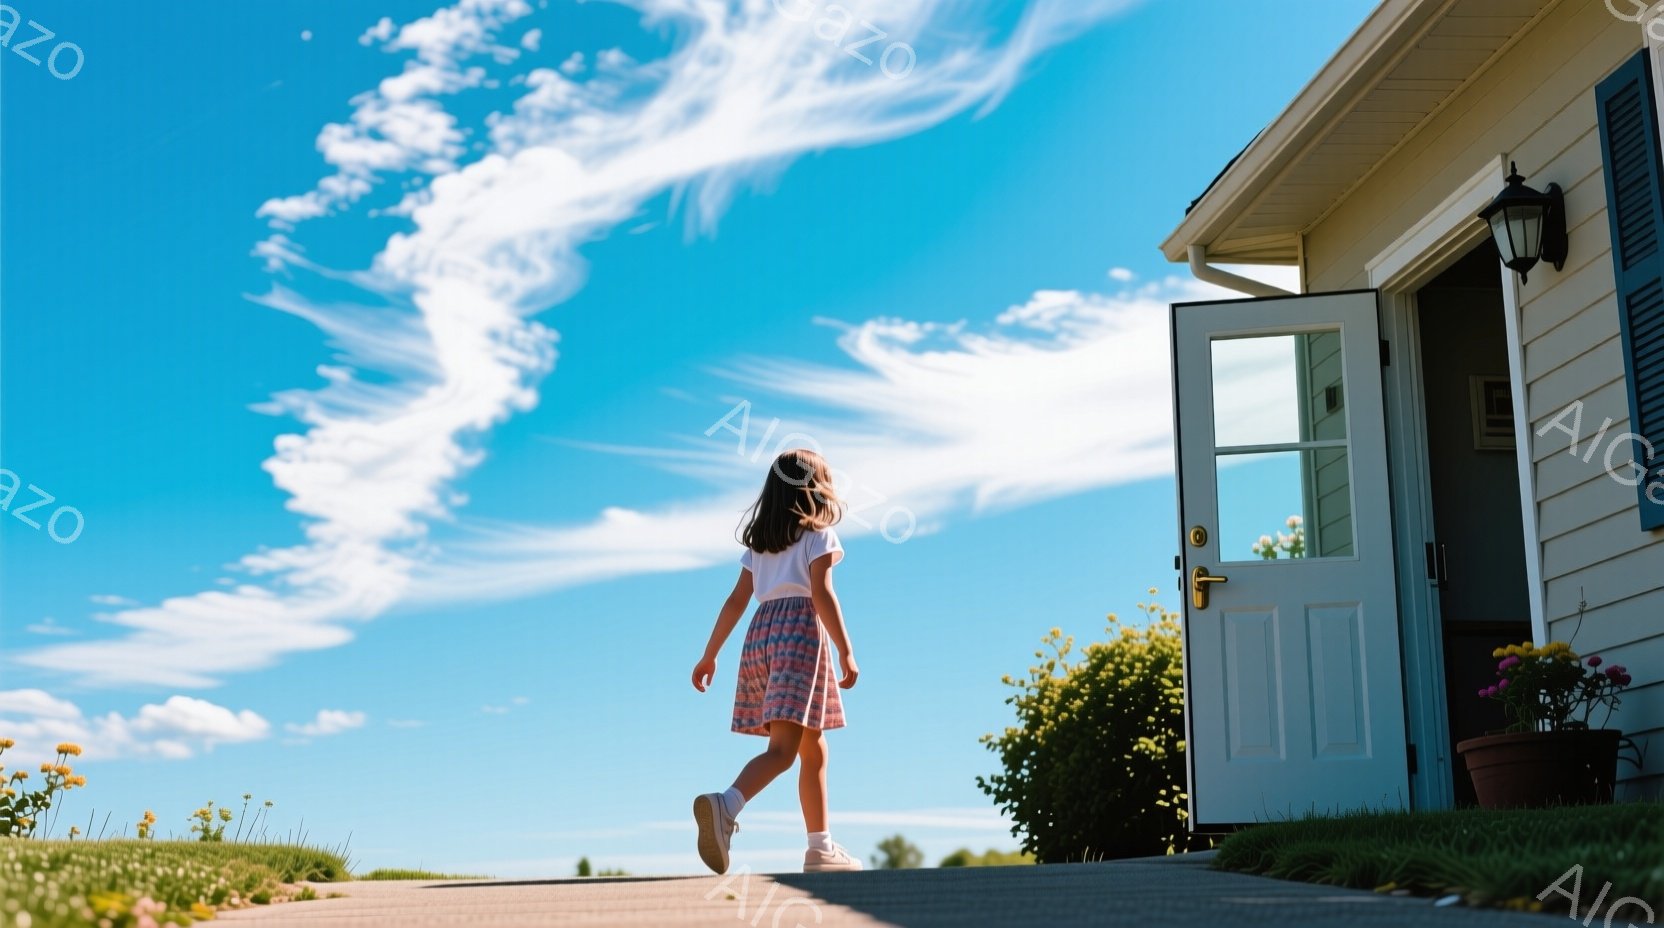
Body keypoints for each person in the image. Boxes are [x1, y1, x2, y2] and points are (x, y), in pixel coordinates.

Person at [691, 448, 861, 874]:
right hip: (799, 635)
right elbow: (821, 594)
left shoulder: (760, 547)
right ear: (816, 490)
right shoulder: (818, 536)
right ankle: (726, 804)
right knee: (784, 751)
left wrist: (709, 655)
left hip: (761, 636)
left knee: (813, 747)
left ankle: (819, 847)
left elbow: (735, 602)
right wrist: (845, 648)